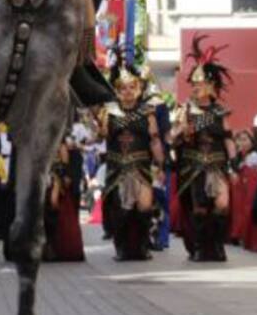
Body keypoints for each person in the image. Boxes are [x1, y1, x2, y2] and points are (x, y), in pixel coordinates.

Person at [171, 37, 236, 263]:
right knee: (199, 207)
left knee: (222, 205)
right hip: (193, 165)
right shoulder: (185, 110)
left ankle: (216, 245)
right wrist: (181, 131)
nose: (196, 87)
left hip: (217, 164)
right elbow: (172, 138)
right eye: (194, 84)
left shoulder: (220, 111)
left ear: (211, 86)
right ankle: (199, 247)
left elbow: (228, 139)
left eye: (200, 84)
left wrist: (234, 163)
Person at [96, 56, 161, 261]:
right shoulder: (109, 112)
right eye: (123, 88)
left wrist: (162, 164)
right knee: (121, 210)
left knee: (144, 208)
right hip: (118, 167)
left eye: (132, 87)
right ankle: (121, 248)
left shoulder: (147, 112)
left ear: (139, 89)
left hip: (141, 166)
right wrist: (97, 121)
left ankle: (142, 246)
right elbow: (100, 137)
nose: (128, 91)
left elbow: (154, 139)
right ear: (116, 91)